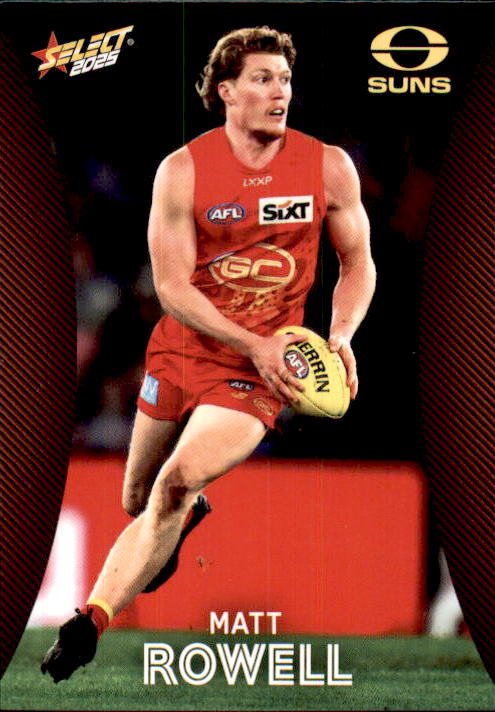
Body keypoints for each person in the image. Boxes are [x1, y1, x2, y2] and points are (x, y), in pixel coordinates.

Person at [41, 26, 376, 682]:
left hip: (262, 371)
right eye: (262, 78)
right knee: (137, 497)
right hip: (184, 349)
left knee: (174, 484)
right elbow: (171, 289)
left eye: (284, 79)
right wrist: (251, 341)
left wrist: (340, 335)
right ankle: (182, 515)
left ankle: (89, 621)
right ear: (225, 91)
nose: (279, 91)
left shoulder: (327, 166)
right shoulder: (183, 171)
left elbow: (357, 260)